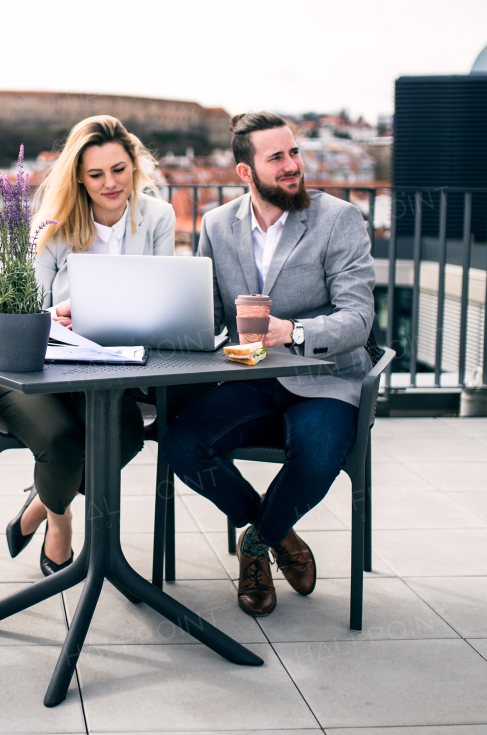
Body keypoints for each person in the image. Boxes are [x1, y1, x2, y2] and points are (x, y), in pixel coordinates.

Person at [160, 111, 375, 616]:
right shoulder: (216, 225)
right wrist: (159, 318)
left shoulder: (338, 218)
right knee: (182, 445)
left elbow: (359, 317)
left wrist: (295, 332)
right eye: (276, 156)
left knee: (318, 453)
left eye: (294, 152)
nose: (291, 165)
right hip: (251, 376)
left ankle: (254, 545)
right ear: (245, 171)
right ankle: (273, 530)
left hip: (325, 377)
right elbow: (208, 313)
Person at [0, 115, 176, 576]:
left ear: (134, 165)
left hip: (110, 375)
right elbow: (23, 310)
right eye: (96, 174)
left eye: (119, 169)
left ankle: (41, 500)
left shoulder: (158, 217)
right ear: (78, 175)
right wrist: (55, 314)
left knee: (127, 433)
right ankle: (59, 519)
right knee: (63, 443)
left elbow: (163, 294)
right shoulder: (51, 226)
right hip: (38, 372)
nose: (110, 183)